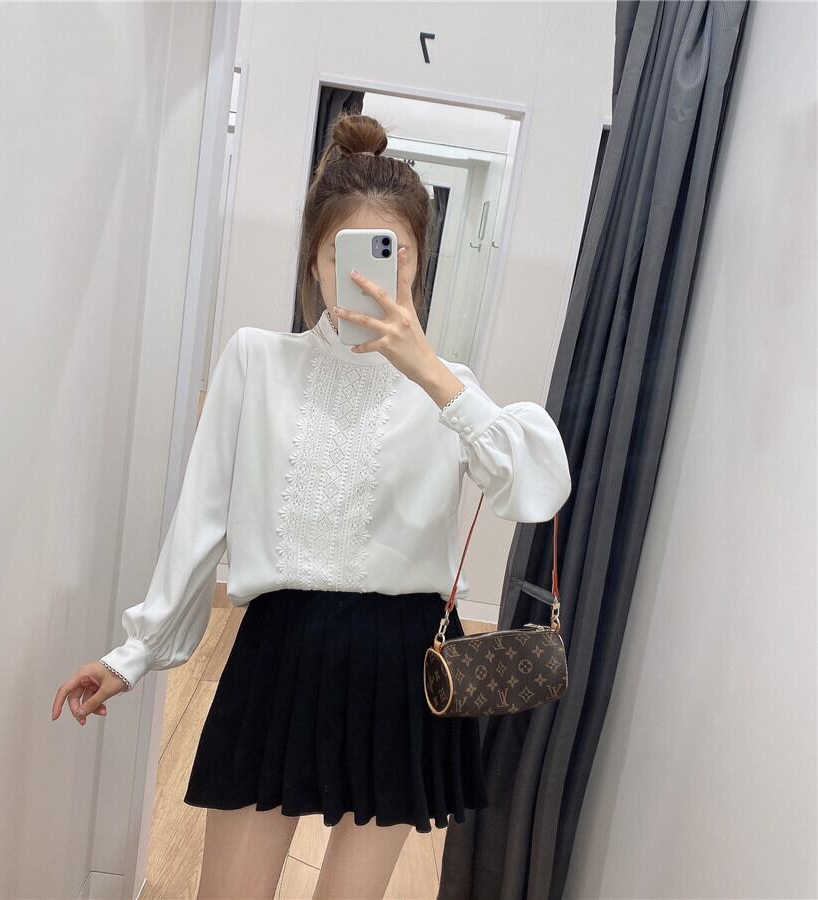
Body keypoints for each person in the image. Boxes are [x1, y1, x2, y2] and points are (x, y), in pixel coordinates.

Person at [52, 112, 571, 900]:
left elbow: (534, 487)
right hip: (281, 649)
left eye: (391, 254)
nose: (366, 277)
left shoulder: (450, 387)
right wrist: (133, 655)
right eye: (343, 255)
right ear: (316, 262)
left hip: (404, 664)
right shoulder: (257, 362)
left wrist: (433, 375)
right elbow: (201, 520)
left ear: (419, 262)